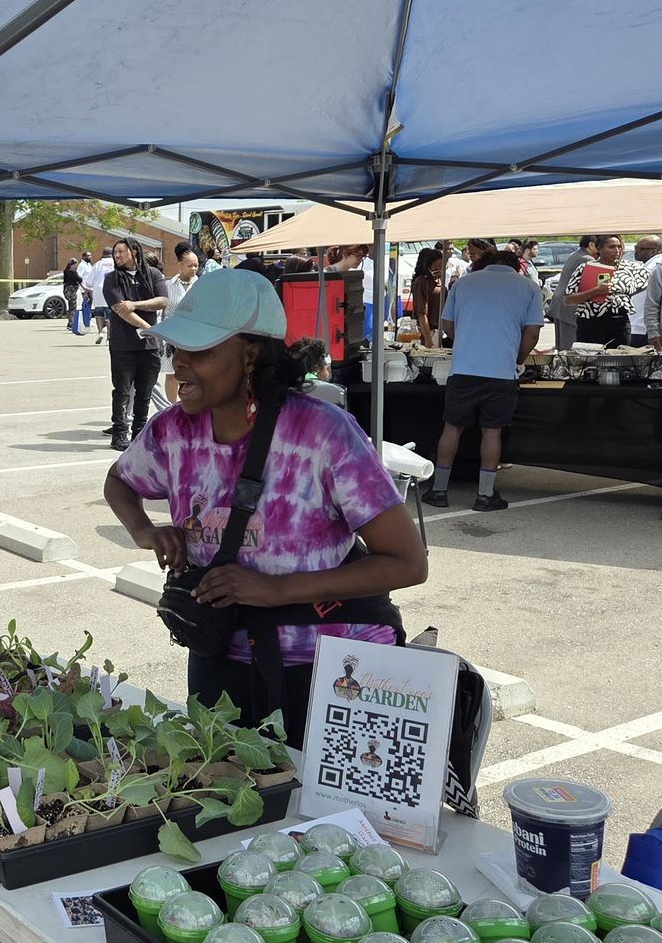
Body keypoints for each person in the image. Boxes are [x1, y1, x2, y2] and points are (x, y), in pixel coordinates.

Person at [103, 268, 428, 738]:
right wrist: (145, 531)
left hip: (331, 667)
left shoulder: (322, 433)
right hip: (217, 654)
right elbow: (119, 481)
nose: (181, 365)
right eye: (178, 349)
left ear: (251, 355)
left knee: (320, 809)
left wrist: (275, 589)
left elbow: (407, 563)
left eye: (200, 351)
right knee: (223, 796)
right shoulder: (173, 429)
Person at [426, 249, 544, 512]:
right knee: (492, 432)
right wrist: (517, 358)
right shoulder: (528, 287)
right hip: (500, 372)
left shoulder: (464, 283)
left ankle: (438, 490)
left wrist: (468, 341)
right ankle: (485, 495)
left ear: (485, 263)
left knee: (452, 428)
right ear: (516, 266)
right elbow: (532, 334)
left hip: (463, 369)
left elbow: (447, 325)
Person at [104, 237, 168, 450]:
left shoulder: (153, 275)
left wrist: (135, 304)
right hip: (123, 345)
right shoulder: (112, 279)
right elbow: (121, 311)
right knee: (122, 391)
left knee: (145, 392)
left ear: (134, 252)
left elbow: (162, 300)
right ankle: (119, 433)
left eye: (121, 251)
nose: (117, 256)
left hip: (149, 348)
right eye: (115, 252)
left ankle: (139, 434)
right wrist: (148, 329)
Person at [561, 235, 650, 347]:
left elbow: (647, 283)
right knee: (591, 360)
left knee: (619, 359)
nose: (616, 250)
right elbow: (568, 300)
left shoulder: (631, 268)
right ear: (599, 248)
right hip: (591, 323)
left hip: (620, 322)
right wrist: (595, 291)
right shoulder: (585, 268)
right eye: (611, 247)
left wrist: (624, 294)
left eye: (619, 247)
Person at [161, 244, 200, 403]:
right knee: (172, 374)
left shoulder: (202, 285)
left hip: (195, 337)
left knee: (194, 374)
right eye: (189, 265)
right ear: (179, 265)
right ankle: (172, 407)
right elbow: (162, 312)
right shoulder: (168, 286)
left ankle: (192, 406)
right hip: (172, 338)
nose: (194, 269)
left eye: (196, 265)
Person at [290, 336, 347, 407]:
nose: (328, 373)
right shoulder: (337, 392)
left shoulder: (282, 390)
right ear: (316, 368)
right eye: (327, 367)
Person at [625, 236, 661, 345]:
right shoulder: (646, 265)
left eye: (640, 249)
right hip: (637, 325)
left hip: (642, 327)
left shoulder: (655, 267)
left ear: (653, 251)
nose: (636, 251)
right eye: (636, 247)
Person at [410, 247, 445, 345]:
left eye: (443, 267)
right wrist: (429, 341)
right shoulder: (422, 281)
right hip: (429, 332)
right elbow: (422, 313)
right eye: (437, 267)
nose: (440, 270)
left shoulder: (439, 281)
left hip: (441, 331)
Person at [87, 246, 114, 344]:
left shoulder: (97, 265)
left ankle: (100, 332)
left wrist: (87, 292)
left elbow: (88, 283)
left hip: (98, 291)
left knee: (99, 313)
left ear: (103, 254)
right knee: (110, 315)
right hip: (111, 291)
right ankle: (109, 335)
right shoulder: (115, 264)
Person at [62, 257, 84, 334]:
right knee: (73, 308)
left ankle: (69, 323)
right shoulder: (73, 272)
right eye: (75, 265)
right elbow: (79, 279)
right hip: (72, 291)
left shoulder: (65, 271)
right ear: (72, 265)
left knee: (70, 307)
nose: (76, 266)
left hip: (66, 290)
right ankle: (71, 323)